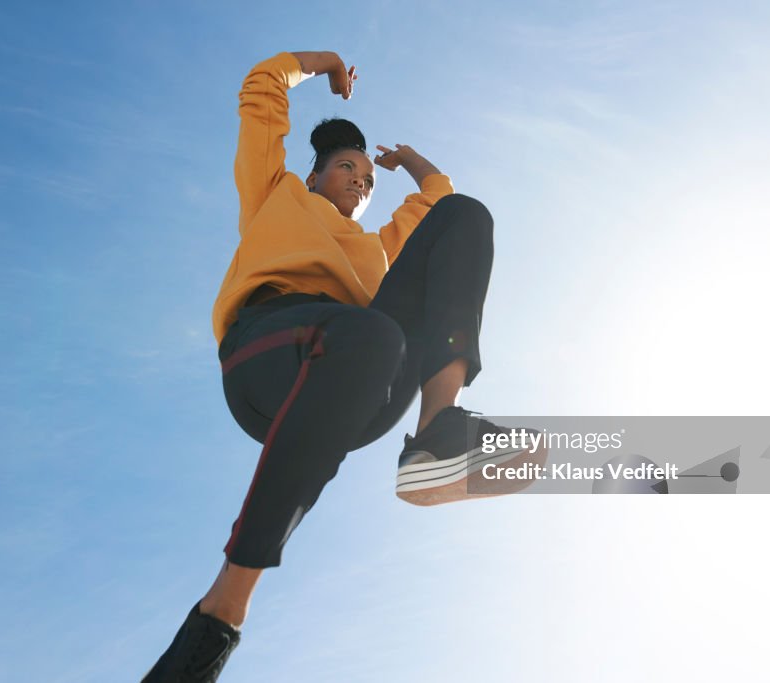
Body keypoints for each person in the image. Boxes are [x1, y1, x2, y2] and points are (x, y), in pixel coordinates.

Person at [142, 50, 539, 683]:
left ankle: (437, 433)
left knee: (463, 217)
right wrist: (326, 64)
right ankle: (224, 608)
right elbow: (263, 84)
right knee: (370, 334)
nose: (359, 180)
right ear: (312, 177)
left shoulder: (377, 249)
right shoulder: (273, 194)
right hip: (264, 355)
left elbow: (439, 197)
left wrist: (406, 162)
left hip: (356, 379)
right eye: (345, 168)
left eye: (366, 177)